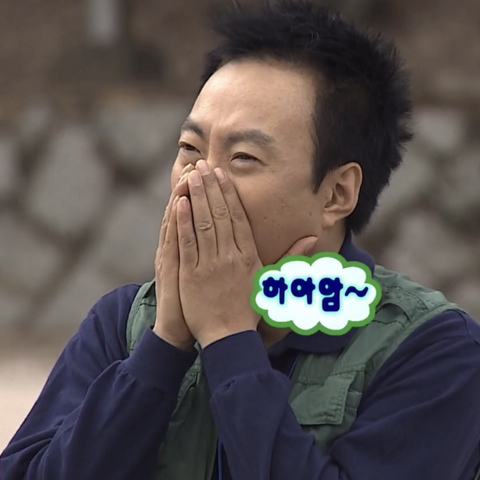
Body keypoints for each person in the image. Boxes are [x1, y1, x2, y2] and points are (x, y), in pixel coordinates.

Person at [2, 1, 480, 479]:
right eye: (189, 149)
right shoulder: (123, 324)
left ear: (337, 193)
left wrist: (229, 341)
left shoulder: (433, 350)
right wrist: (163, 348)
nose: (196, 180)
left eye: (243, 158)